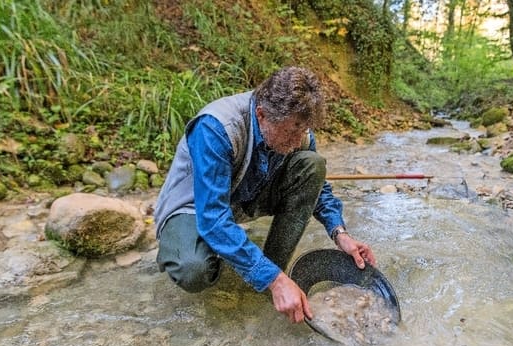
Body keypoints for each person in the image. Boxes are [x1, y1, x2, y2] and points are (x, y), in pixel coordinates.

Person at [154, 66, 376, 324]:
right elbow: (213, 218)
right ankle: (266, 274)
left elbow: (320, 190)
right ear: (261, 115)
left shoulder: (297, 129)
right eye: (291, 132)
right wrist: (274, 279)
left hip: (245, 197)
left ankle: (271, 269)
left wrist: (340, 234)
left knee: (312, 164)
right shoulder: (216, 128)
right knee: (193, 270)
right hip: (193, 206)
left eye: (302, 132)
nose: (297, 141)